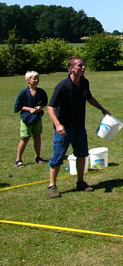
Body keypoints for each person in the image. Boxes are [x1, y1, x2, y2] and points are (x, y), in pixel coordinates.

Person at [46, 56, 111, 198]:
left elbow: (89, 97)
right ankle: (52, 186)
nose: (83, 68)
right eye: (80, 66)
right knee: (58, 156)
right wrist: (58, 125)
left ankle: (80, 181)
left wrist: (102, 109)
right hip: (63, 129)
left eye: (84, 65)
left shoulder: (84, 82)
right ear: (71, 69)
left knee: (82, 154)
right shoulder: (62, 86)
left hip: (79, 126)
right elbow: (50, 107)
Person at [14, 71, 48, 167]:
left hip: (37, 117)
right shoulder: (23, 93)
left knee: (37, 136)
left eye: (38, 78)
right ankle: (18, 159)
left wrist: (40, 108)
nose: (37, 80)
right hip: (26, 118)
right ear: (28, 80)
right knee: (25, 137)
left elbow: (44, 102)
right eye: (34, 79)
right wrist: (29, 109)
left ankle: (38, 157)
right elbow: (18, 106)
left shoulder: (41, 92)